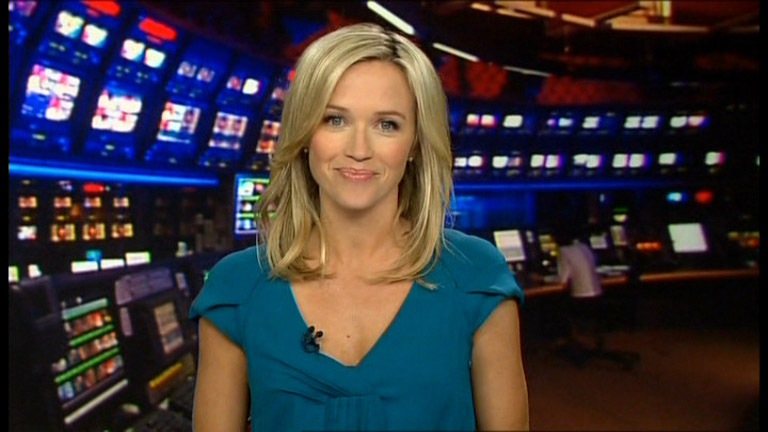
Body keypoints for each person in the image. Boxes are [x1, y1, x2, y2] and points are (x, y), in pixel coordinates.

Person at [190, 23, 528, 431]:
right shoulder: (237, 288)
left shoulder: (475, 276)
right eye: (335, 119)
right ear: (305, 133)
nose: (359, 149)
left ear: (416, 143)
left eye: (387, 124)